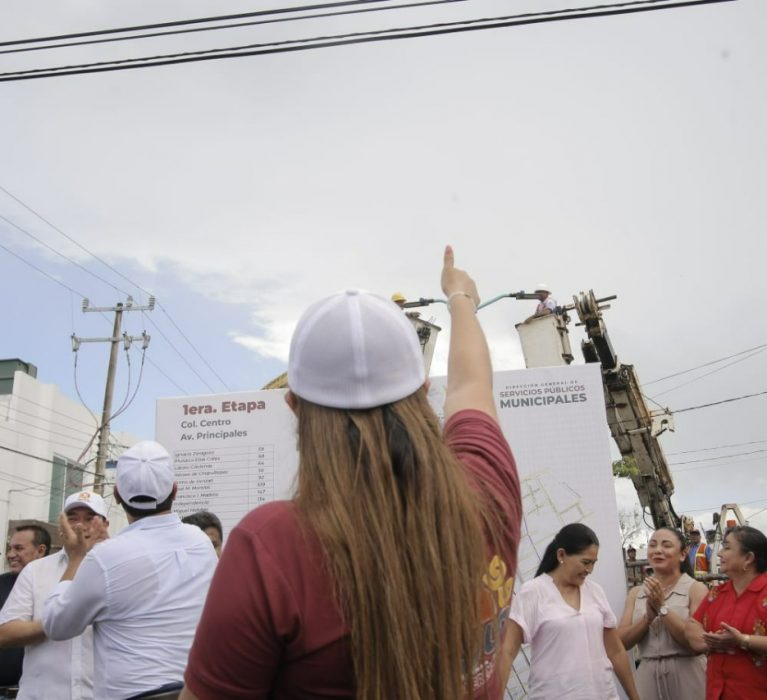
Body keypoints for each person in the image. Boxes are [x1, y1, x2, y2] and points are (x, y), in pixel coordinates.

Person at [180, 246, 522, 700]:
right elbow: (471, 384)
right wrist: (460, 297)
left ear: (294, 406)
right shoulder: (486, 487)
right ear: (422, 390)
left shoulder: (271, 548)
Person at [42, 441, 217, 700]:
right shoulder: (200, 541)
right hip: (195, 690)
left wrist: (76, 559)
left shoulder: (105, 556)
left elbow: (57, 625)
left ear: (116, 495)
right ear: (175, 490)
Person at [506, 523, 640, 700]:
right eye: (585, 562)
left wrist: (634, 697)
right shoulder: (533, 592)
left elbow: (615, 651)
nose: (589, 570)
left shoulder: (595, 592)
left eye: (593, 563)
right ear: (561, 555)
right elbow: (507, 652)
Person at [0, 492, 109, 700]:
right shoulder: (35, 571)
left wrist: (62, 618)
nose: (79, 526)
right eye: (72, 518)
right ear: (61, 526)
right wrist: (61, 621)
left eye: (89, 518)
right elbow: (5, 633)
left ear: (105, 525)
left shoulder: (118, 570)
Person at [618, 528, 707, 699]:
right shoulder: (636, 593)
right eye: (652, 545)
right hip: (647, 678)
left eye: (666, 545)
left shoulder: (696, 589)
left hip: (688, 675)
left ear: (682, 554)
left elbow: (696, 642)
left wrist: (663, 609)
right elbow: (621, 642)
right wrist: (647, 619)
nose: (658, 550)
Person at [686, 525, 767, 699]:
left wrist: (742, 640)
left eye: (727, 547)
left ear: (748, 558)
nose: (720, 553)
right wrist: (712, 642)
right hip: (717, 692)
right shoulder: (716, 593)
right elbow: (693, 625)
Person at [0, 526, 51, 697]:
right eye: (10, 548)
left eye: (19, 548)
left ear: (40, 550)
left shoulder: (58, 587)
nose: (10, 554)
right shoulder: (1, 584)